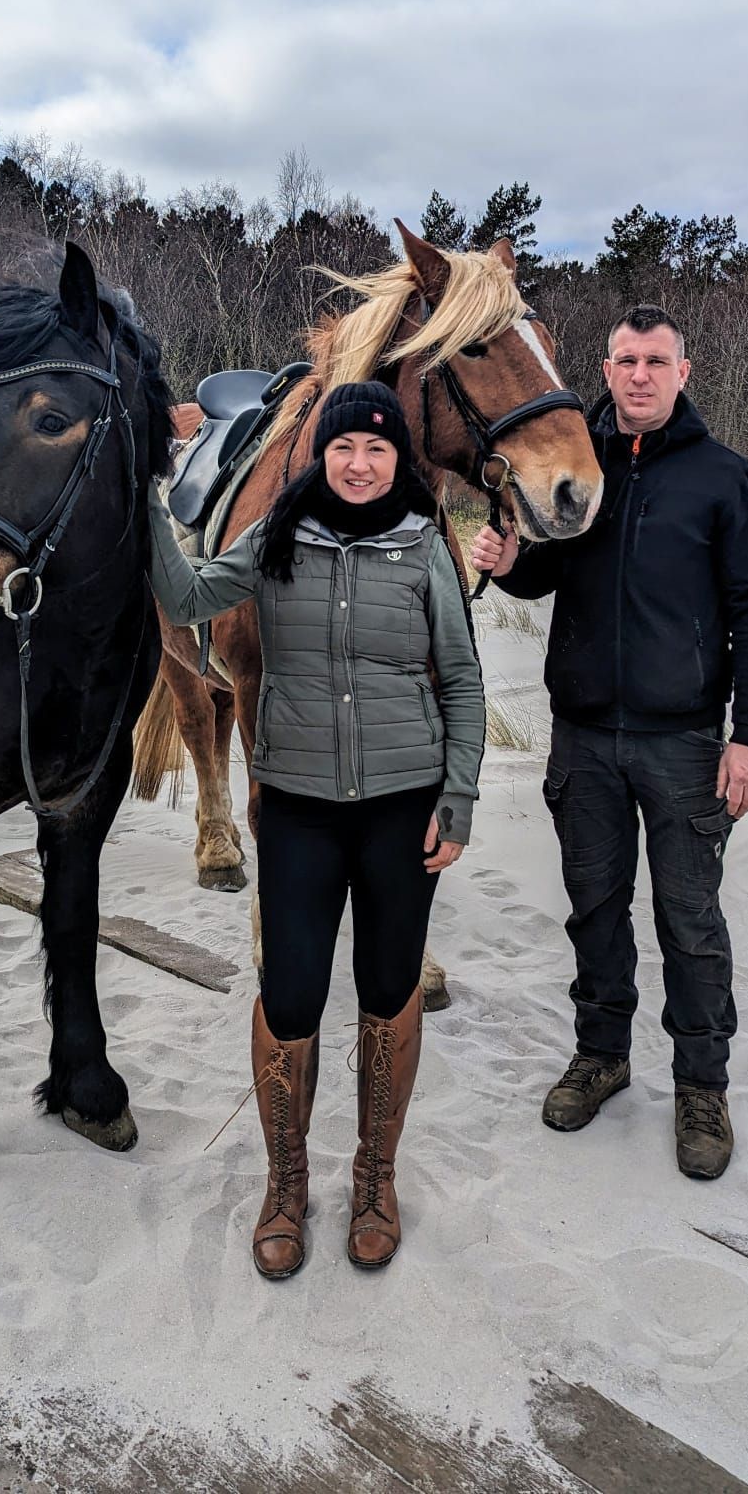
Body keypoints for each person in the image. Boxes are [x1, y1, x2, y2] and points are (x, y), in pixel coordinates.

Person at [147, 380, 485, 1276]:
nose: (360, 464)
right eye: (345, 447)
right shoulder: (274, 538)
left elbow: (462, 678)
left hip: (402, 805)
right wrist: (143, 499)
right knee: (290, 995)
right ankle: (286, 1183)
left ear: (397, 460)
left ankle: (375, 1177)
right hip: (297, 805)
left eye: (378, 448)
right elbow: (187, 597)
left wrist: (457, 798)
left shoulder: (425, 548)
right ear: (322, 455)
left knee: (387, 990)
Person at [473, 305, 748, 1180]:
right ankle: (601, 1055)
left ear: (683, 372)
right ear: (604, 372)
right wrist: (510, 565)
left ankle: (701, 1087)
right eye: (625, 361)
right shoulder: (581, 462)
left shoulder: (724, 477)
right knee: (594, 912)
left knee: (691, 924)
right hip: (583, 740)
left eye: (655, 361)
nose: (639, 375)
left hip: (684, 744)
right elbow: (548, 573)